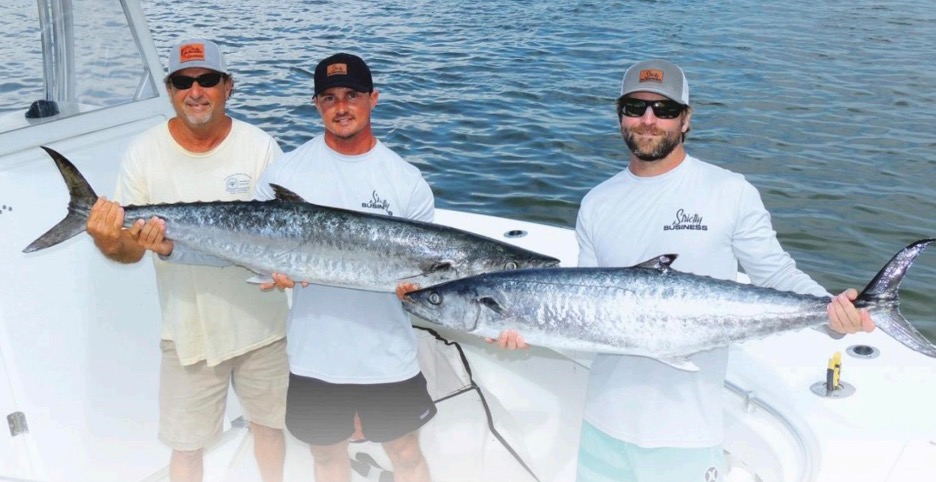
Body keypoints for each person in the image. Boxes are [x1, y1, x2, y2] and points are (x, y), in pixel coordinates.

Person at [494, 59, 874, 482]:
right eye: (635, 107)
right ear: (619, 114)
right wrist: (527, 328)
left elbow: (778, 276)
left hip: (687, 437)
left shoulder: (728, 191)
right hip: (603, 425)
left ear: (686, 119)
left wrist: (834, 318)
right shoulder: (596, 203)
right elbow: (585, 316)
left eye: (665, 110)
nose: (649, 120)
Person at [84, 39, 289, 482]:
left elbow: (284, 233)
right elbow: (128, 250)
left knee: (270, 430)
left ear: (227, 87)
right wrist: (107, 239)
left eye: (207, 80)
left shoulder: (260, 147)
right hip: (187, 335)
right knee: (185, 447)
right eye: (183, 82)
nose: (195, 91)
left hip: (264, 330)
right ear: (170, 90)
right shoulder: (143, 152)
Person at [258, 52, 436, 482]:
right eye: (329, 97)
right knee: (325, 458)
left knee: (407, 454)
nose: (342, 106)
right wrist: (273, 271)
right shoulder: (285, 173)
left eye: (352, 95)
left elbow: (425, 273)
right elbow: (262, 251)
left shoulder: (405, 180)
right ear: (316, 104)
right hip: (315, 352)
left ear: (373, 98)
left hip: (387, 354)